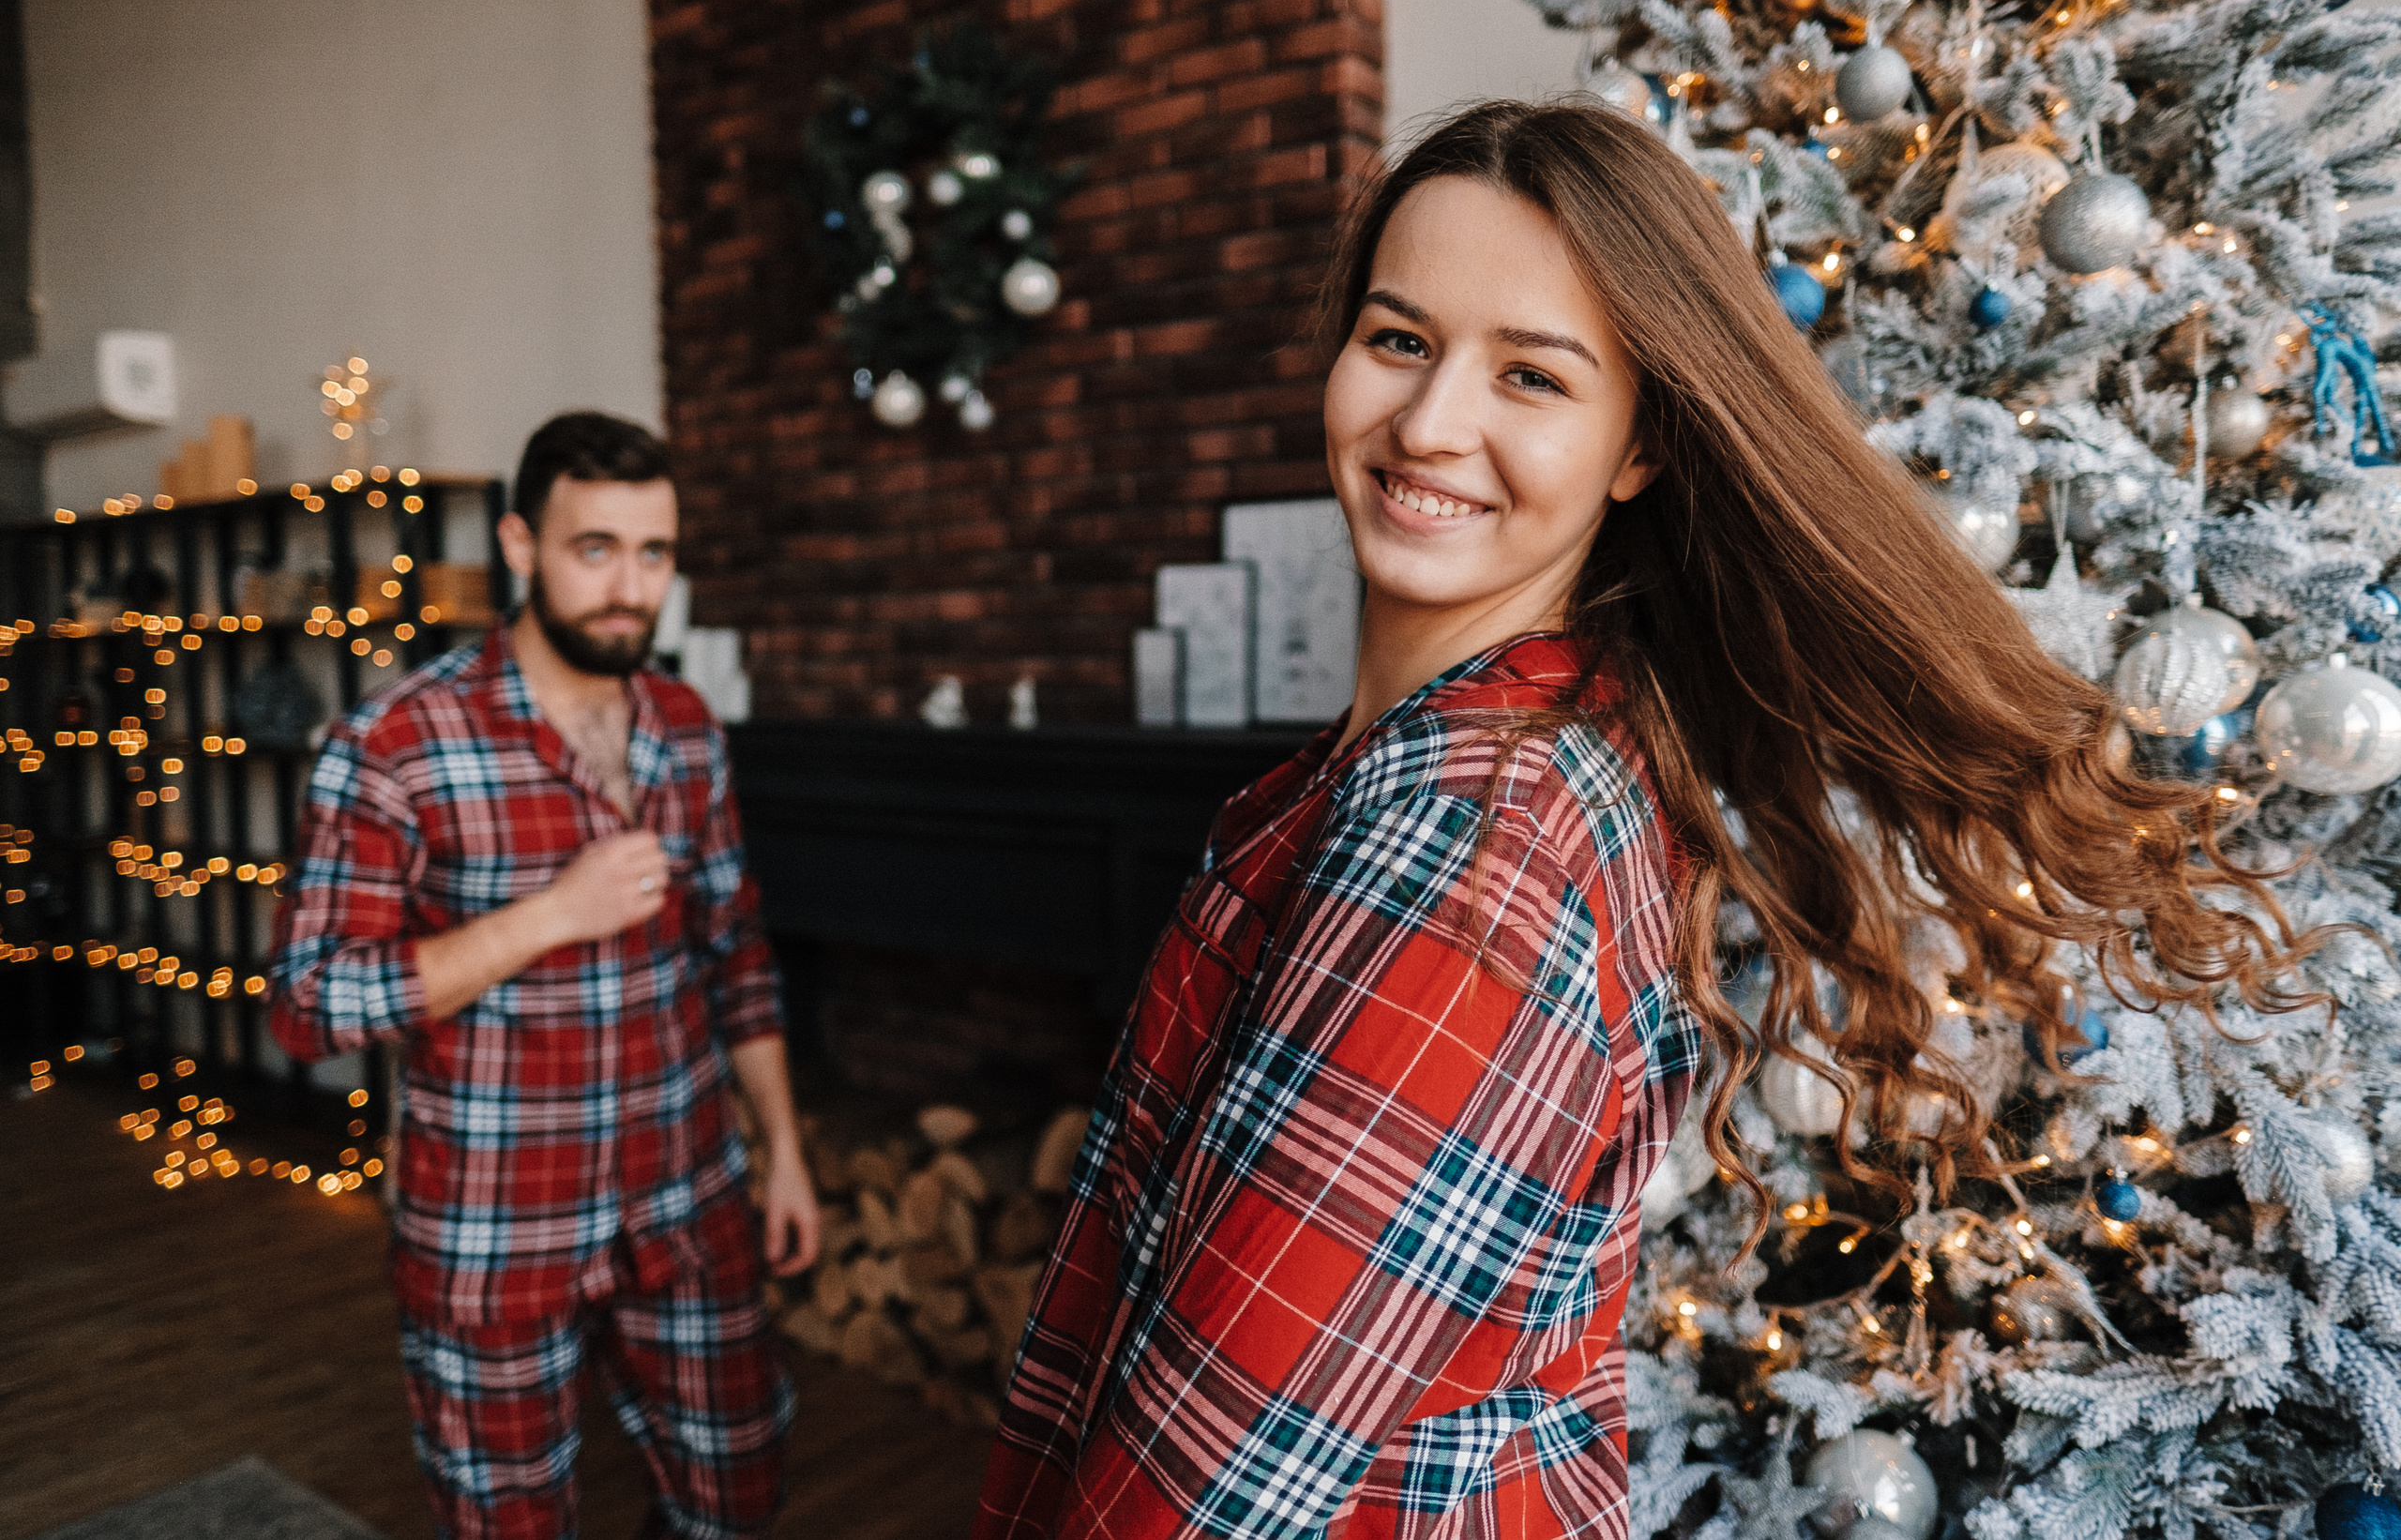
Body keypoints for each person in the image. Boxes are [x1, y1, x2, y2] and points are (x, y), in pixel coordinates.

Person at [973, 100, 2318, 1540]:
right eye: (1400, 339)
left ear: (1639, 450)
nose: (1430, 423)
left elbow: (1202, 1484)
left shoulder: (1463, 841)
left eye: (1533, 377)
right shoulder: (1537, 741)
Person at [269, 411, 820, 1540]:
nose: (629, 587)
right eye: (594, 549)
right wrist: (550, 917)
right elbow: (309, 1003)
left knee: (740, 1491)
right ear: (520, 547)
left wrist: (786, 1156)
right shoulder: (394, 743)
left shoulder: (686, 728)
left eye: (653, 552)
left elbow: (737, 955)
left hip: (685, 1202)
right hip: (493, 1228)